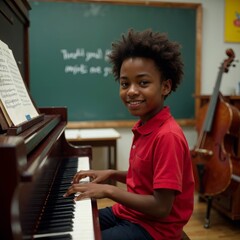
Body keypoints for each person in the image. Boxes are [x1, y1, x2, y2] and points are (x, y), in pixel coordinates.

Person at [64, 29, 194, 240]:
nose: (131, 91)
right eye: (125, 84)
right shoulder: (144, 126)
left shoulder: (167, 136)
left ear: (166, 86)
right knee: (78, 219)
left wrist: (109, 191)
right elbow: (147, 179)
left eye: (143, 83)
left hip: (155, 228)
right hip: (129, 214)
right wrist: (112, 173)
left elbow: (161, 207)